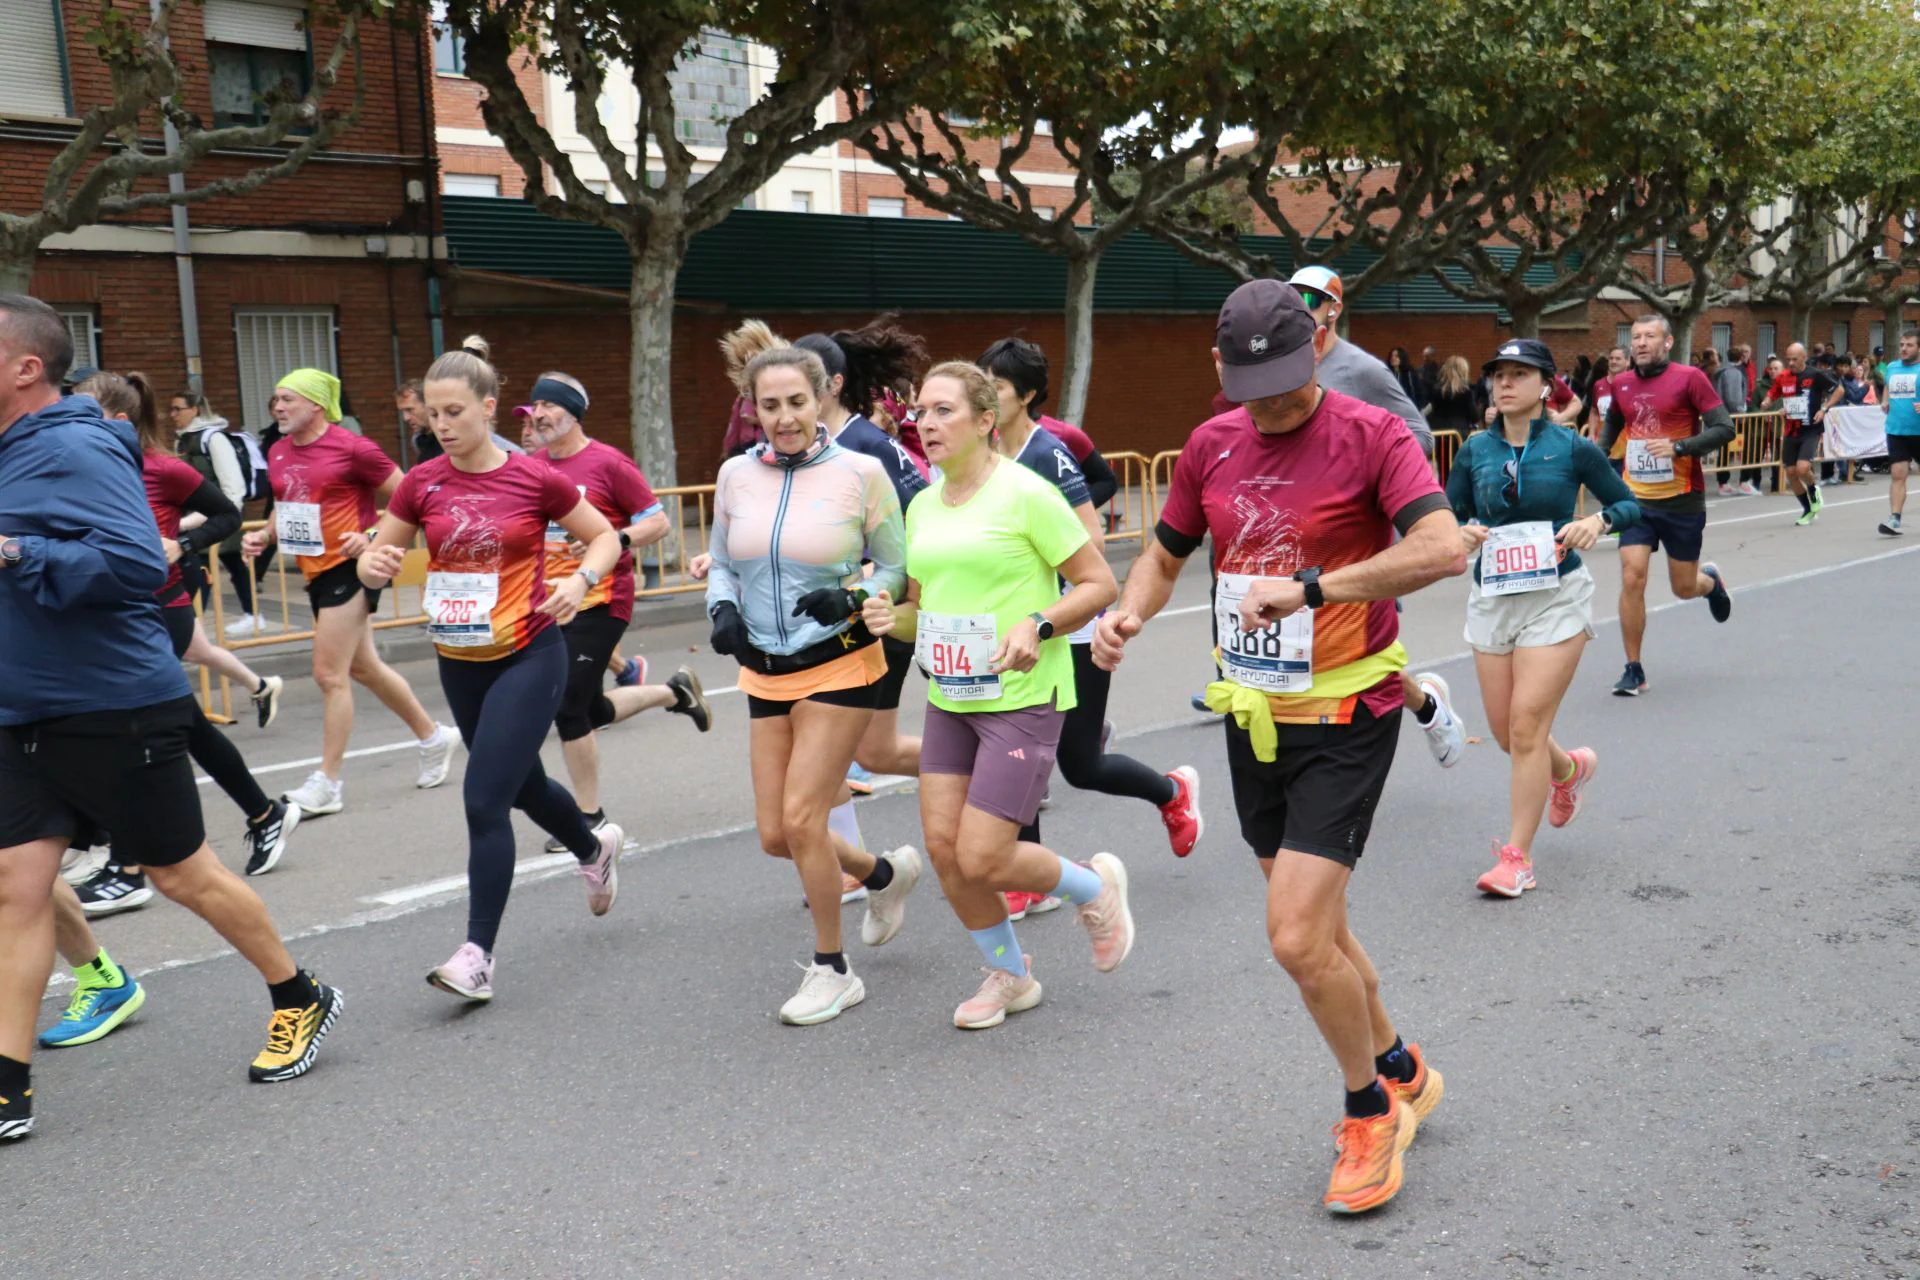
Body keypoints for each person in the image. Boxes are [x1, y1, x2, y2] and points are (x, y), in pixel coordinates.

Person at [1093, 279, 1463, 1214]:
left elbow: (1441, 548)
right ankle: (1400, 1063)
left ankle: (1369, 1110)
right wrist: (1128, 613)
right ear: (1219, 369)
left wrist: (1317, 587)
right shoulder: (1210, 444)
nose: (1273, 403)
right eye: (1251, 385)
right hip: (1254, 717)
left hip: (1348, 713)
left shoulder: (1370, 432)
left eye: (1291, 382)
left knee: (1296, 937)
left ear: (1319, 350)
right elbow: (1167, 552)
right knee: (1325, 931)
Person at [0, 294, 345, 1143]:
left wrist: (13, 550)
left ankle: (300, 993)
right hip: (20, 706)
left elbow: (128, 563)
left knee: (178, 874)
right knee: (16, 889)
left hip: (114, 702)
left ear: (24, 367)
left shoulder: (75, 445)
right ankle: (8, 1088)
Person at [860, 361, 1130, 1031]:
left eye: (944, 410)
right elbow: (919, 613)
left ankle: (1094, 886)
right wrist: (881, 616)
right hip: (952, 695)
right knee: (947, 851)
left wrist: (1037, 624)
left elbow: (1098, 584)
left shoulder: (1026, 494)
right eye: (920, 410)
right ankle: (1010, 973)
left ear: (985, 421)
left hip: (1022, 694)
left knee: (983, 854)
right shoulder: (920, 505)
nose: (926, 422)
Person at [360, 348, 628, 1001]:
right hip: (459, 660)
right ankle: (592, 850)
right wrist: (373, 565)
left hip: (530, 654)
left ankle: (477, 954)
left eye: (456, 411)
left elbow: (606, 538)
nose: (443, 424)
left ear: (487, 408)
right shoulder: (422, 481)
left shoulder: (535, 478)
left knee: (484, 800)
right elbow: (380, 551)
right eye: (434, 413)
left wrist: (581, 580)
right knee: (523, 785)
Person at [706, 345, 923, 1026]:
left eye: (796, 401)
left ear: (820, 396)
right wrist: (721, 608)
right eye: (769, 405)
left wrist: (853, 594)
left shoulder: (862, 471)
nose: (784, 417)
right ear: (753, 408)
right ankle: (885, 874)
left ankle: (832, 969)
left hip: (841, 661)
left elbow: (897, 568)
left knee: (805, 819)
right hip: (764, 668)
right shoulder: (735, 476)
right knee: (776, 834)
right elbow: (720, 563)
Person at [980, 336, 1201, 886]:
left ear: (1027, 394)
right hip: (1013, 627)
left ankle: (1172, 792)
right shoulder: (982, 454)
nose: (986, 395)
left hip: (1070, 628)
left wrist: (1037, 572)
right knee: (1015, 752)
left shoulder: (1046, 452)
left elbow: (1092, 539)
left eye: (998, 387)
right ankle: (1024, 882)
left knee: (1081, 766)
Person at [71, 370, 298, 898]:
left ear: (117, 421)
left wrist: (181, 545)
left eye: (83, 414)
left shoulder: (160, 468)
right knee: (186, 725)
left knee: (131, 730)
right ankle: (264, 814)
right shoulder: (85, 470)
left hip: (160, 612)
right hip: (113, 616)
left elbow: (225, 513)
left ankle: (126, 867)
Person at [1447, 340, 1640, 896]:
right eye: (1498, 375)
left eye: (1519, 374)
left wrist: (1598, 523)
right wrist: (1459, 531)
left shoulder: (1571, 448)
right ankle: (1569, 771)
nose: (1505, 383)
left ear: (1546, 385)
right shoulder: (1474, 451)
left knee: (1527, 726)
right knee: (1508, 734)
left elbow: (1628, 503)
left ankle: (1517, 859)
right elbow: (1445, 511)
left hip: (1557, 598)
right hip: (1493, 599)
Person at [242, 368, 459, 816]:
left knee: (329, 675)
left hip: (352, 567)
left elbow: (411, 496)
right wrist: (264, 535)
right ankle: (435, 736)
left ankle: (328, 782)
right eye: (275, 401)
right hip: (314, 569)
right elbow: (289, 505)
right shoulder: (280, 450)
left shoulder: (352, 448)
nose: (278, 408)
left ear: (317, 406)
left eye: (288, 400)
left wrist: (373, 533)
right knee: (365, 669)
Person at [1285, 267, 1466, 772]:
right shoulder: (1280, 364)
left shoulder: (1361, 370)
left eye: (1309, 298)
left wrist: (1359, 474)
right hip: (1296, 531)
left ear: (1333, 308)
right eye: (1291, 297)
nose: (1299, 305)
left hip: (1356, 536)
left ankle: (1427, 706)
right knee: (1313, 643)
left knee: (1362, 651)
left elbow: (1419, 435)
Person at [520, 372, 711, 850]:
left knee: (566, 707)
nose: (537, 415)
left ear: (573, 413)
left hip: (602, 599)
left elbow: (658, 520)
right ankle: (674, 692)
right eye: (533, 407)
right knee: (589, 707)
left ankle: (588, 818)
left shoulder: (608, 463)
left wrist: (613, 539)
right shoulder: (531, 465)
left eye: (548, 406)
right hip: (551, 602)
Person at [1598, 315, 1735, 697]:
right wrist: (1594, 459)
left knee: (1683, 586)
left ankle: (1709, 584)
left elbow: (1725, 428)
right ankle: (1633, 668)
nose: (1640, 343)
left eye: (1649, 336)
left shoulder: (1690, 378)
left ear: (1668, 341)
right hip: (1636, 499)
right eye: (1635, 337)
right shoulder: (1621, 383)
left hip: (1681, 499)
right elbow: (1612, 424)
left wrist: (1679, 447)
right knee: (1632, 575)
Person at [1760, 343, 1842, 525]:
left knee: (1802, 468)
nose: (1790, 363)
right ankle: (1807, 509)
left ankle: (1814, 490)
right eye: (1788, 359)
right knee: (1790, 472)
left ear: (1804, 357)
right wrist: (1767, 401)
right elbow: (1773, 393)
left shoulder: (1815, 375)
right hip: (1791, 430)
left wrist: (1824, 408)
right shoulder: (1783, 377)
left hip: (1811, 429)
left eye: (1794, 359)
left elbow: (1839, 390)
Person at [1878, 327, 1919, 536]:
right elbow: (1887, 385)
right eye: (1902, 344)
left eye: (1909, 345)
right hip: (1897, 430)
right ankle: (1894, 519)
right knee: (1897, 474)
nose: (1904, 348)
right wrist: (1885, 400)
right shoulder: (1893, 367)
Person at [1423, 356, 1479, 436]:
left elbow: (1429, 410)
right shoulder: (1466, 392)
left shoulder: (1435, 390)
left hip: (1438, 433)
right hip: (1459, 434)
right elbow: (1474, 417)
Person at [397, 379, 441, 463]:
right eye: (402, 411)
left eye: (410, 410)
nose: (406, 418)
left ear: (428, 405)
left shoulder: (450, 437)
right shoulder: (418, 440)